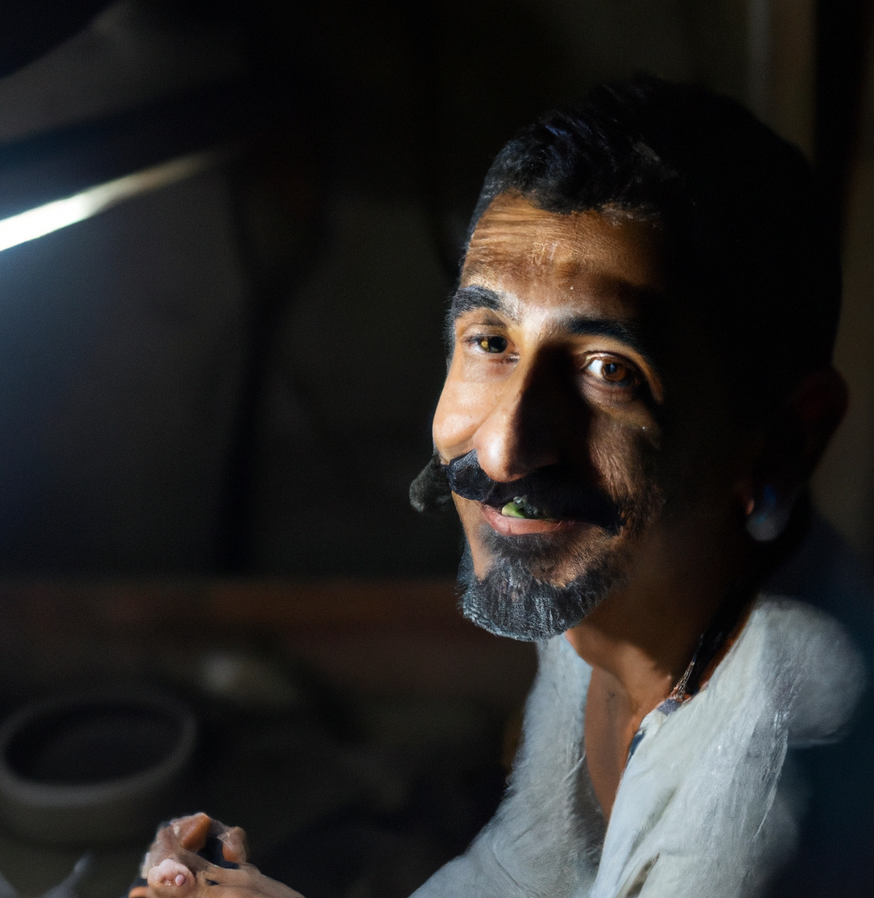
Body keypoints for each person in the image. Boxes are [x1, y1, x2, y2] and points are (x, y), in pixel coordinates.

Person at [135, 77, 870, 897]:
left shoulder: (756, 822)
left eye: (607, 371)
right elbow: (520, 878)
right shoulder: (611, 592)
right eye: (490, 340)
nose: (505, 449)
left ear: (784, 441)